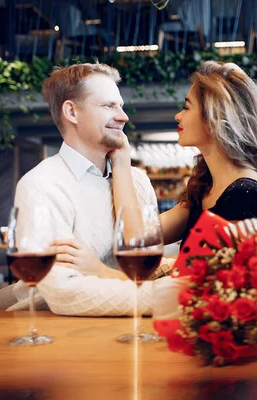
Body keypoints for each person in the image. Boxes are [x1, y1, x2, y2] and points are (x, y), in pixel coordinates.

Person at [9, 62, 170, 315]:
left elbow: (147, 264)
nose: (123, 116)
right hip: (53, 328)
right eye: (108, 106)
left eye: (121, 106)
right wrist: (167, 297)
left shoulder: (137, 181)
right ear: (72, 112)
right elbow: (65, 293)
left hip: (126, 325)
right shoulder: (41, 185)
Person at [113, 61, 257, 249]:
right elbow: (138, 235)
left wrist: (100, 270)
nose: (178, 116)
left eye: (186, 107)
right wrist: (120, 160)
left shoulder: (245, 196)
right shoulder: (206, 186)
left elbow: (196, 277)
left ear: (214, 118)